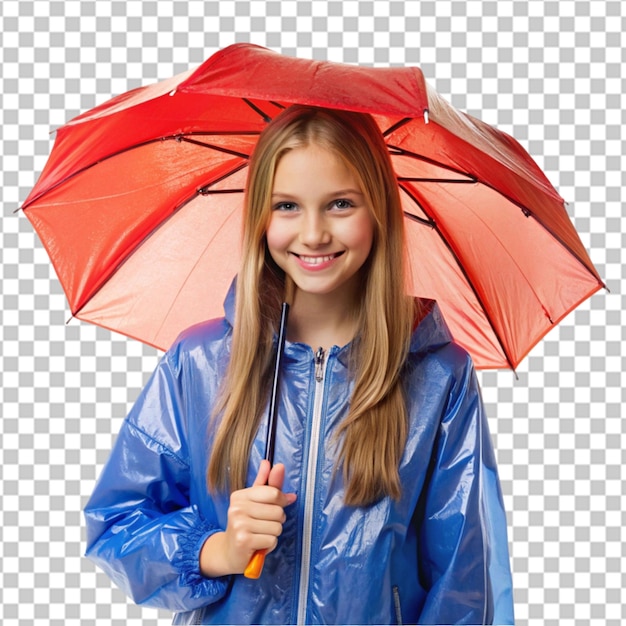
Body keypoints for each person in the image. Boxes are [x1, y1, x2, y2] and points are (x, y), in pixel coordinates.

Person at [84, 104, 515, 625]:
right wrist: (219, 550)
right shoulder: (197, 365)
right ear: (259, 217)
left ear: (378, 210)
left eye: (339, 204)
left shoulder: (437, 377)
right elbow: (117, 525)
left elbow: (464, 584)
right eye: (287, 205)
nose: (312, 234)